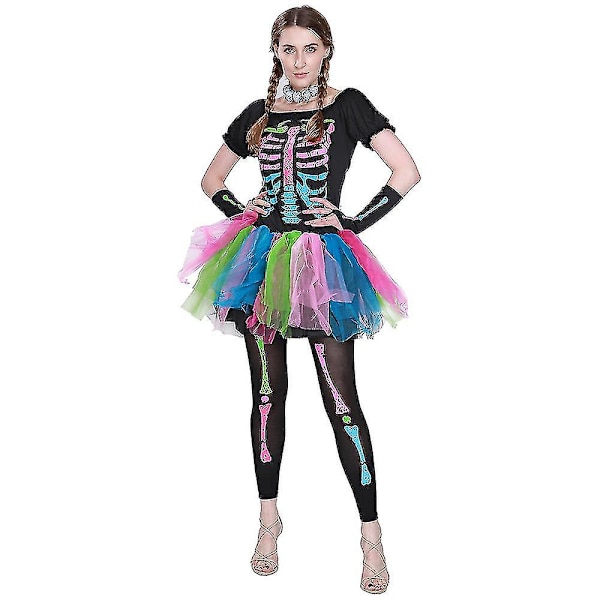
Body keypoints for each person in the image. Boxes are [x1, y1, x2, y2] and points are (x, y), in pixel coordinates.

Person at [177, 5, 420, 594]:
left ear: (326, 50)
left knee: (342, 400)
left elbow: (406, 171)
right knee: (266, 395)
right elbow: (211, 180)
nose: (300, 60)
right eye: (288, 49)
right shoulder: (258, 113)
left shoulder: (349, 105)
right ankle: (268, 522)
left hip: (323, 266)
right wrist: (244, 212)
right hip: (260, 264)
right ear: (276, 54)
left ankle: (371, 535)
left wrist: (351, 223)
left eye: (310, 48)